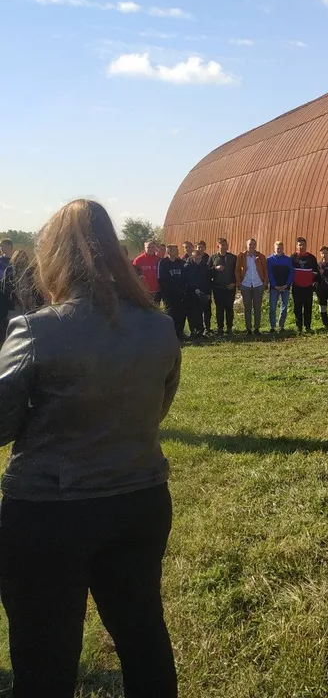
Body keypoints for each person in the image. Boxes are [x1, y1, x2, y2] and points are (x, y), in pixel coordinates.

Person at [0, 198, 181, 697]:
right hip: (140, 498)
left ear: (52, 258)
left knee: (45, 654)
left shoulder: (35, 329)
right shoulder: (160, 327)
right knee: (143, 634)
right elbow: (159, 406)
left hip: (49, 510)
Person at [235, 238, 267, 335]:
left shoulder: (260, 256)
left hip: (258, 284)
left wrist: (265, 283)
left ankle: (257, 328)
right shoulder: (241, 256)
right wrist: (239, 282)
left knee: (257, 307)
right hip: (246, 284)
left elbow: (265, 270)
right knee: (247, 308)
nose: (252, 246)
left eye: (253, 244)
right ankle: (248, 329)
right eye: (250, 244)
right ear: (247, 245)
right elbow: (237, 270)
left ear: (256, 245)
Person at [158, 244, 188, 343]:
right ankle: (171, 335)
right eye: (175, 250)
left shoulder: (180, 262)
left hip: (181, 293)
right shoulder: (163, 263)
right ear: (169, 251)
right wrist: (167, 292)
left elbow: (185, 277)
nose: (178, 251)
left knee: (181, 314)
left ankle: (180, 333)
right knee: (171, 314)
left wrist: (183, 290)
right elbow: (161, 279)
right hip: (169, 294)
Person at [290, 237, 320, 334]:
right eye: (300, 245)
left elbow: (316, 272)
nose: (301, 247)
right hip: (296, 287)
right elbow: (289, 272)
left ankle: (308, 326)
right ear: (297, 246)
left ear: (306, 246)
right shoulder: (293, 257)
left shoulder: (311, 258)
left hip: (308, 287)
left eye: (303, 245)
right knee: (297, 307)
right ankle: (299, 327)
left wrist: (311, 281)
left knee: (308, 307)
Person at [209, 238, 237, 336]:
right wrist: (215, 268)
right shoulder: (213, 257)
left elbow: (237, 271)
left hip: (230, 287)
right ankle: (220, 328)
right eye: (222, 245)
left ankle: (229, 328)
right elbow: (207, 271)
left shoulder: (233, 257)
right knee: (219, 309)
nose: (225, 247)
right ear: (218, 246)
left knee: (229, 308)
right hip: (218, 287)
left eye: (226, 245)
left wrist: (234, 283)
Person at [184, 247, 212, 340]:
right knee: (192, 313)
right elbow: (187, 280)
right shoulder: (187, 267)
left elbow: (208, 280)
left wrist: (208, 293)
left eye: (199, 259)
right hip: (191, 293)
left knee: (200, 312)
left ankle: (200, 331)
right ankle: (193, 331)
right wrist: (195, 289)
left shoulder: (205, 266)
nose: (197, 261)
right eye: (195, 259)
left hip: (202, 293)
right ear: (192, 257)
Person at [266, 241, 294, 334]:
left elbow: (291, 272)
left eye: (281, 248)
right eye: (277, 248)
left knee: (284, 307)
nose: (279, 250)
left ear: (283, 249)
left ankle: (281, 325)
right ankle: (273, 326)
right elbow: (269, 273)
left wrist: (287, 284)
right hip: (274, 288)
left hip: (285, 287)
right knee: (273, 308)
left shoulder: (288, 259)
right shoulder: (270, 260)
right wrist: (274, 285)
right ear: (274, 249)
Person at [132, 239, 161, 305]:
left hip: (157, 291)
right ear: (144, 248)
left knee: (156, 309)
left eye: (152, 247)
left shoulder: (159, 260)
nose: (150, 249)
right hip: (144, 291)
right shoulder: (138, 260)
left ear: (155, 248)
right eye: (148, 247)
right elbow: (134, 275)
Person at [194, 241, 212, 334]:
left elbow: (209, 275)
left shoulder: (208, 258)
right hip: (196, 289)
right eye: (198, 247)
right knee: (197, 310)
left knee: (207, 310)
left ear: (205, 248)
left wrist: (208, 291)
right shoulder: (192, 259)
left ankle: (207, 328)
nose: (200, 249)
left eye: (202, 247)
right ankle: (198, 329)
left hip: (206, 287)